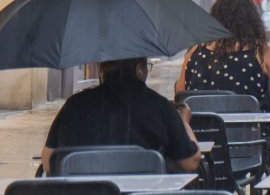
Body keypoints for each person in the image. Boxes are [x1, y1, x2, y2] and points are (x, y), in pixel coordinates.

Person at [42, 58, 201, 174]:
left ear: (101, 69)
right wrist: (184, 121)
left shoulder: (74, 105)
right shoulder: (159, 106)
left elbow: (48, 162)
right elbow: (191, 161)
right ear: (140, 68)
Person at [176, 0, 270, 109]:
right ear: (253, 21)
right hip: (248, 126)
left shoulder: (195, 52)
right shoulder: (263, 54)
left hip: (200, 126)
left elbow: (180, 95)